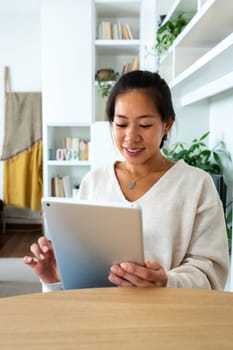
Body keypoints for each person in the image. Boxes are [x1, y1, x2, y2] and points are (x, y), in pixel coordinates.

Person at [24, 70, 229, 291]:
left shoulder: (196, 185)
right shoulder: (94, 181)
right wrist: (55, 278)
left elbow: (211, 273)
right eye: (121, 124)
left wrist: (166, 282)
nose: (131, 136)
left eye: (145, 125)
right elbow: (78, 283)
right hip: (100, 314)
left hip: (166, 317)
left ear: (167, 124)